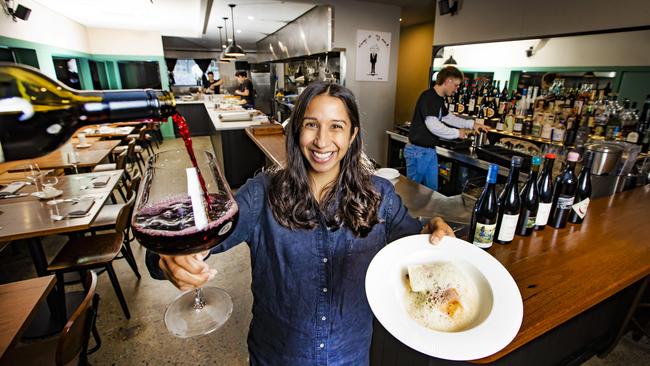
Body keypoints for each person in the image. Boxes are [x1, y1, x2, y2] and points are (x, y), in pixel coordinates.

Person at [146, 81, 456, 365]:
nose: (322, 140)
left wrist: (433, 228)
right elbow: (185, 244)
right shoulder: (260, 195)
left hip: (350, 355)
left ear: (352, 135)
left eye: (336, 126)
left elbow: (418, 243)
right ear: (296, 131)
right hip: (277, 356)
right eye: (311, 125)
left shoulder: (381, 196)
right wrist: (171, 259)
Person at [406, 66, 489, 191]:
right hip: (418, 152)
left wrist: (472, 124)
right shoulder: (429, 97)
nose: (457, 89)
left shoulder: (439, 99)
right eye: (456, 85)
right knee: (412, 191)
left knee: (431, 193)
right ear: (447, 81)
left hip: (428, 151)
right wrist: (457, 133)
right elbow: (433, 126)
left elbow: (449, 118)